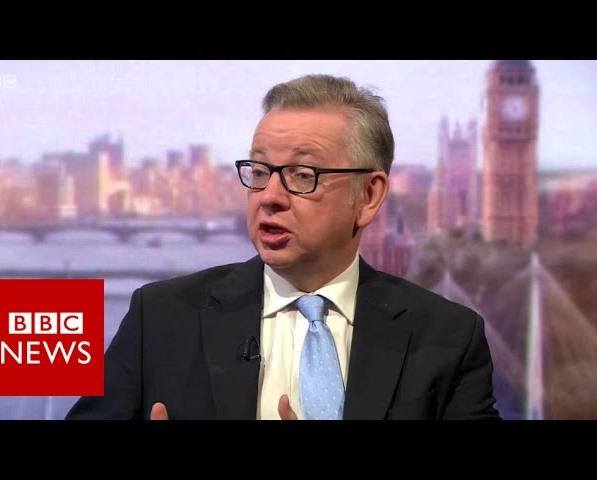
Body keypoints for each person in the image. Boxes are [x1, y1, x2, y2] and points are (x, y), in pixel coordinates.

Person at [65, 74, 501, 420]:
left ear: (368, 196)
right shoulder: (160, 318)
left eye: (302, 175)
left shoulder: (449, 339)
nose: (269, 196)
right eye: (259, 171)